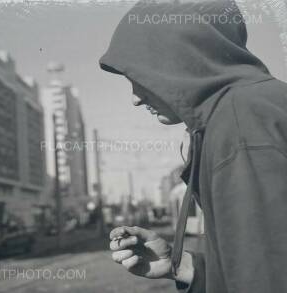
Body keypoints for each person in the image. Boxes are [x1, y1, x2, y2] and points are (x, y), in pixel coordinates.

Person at [99, 0, 287, 292]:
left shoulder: (239, 125)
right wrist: (182, 266)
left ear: (176, 58)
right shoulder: (251, 107)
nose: (135, 98)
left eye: (138, 76)